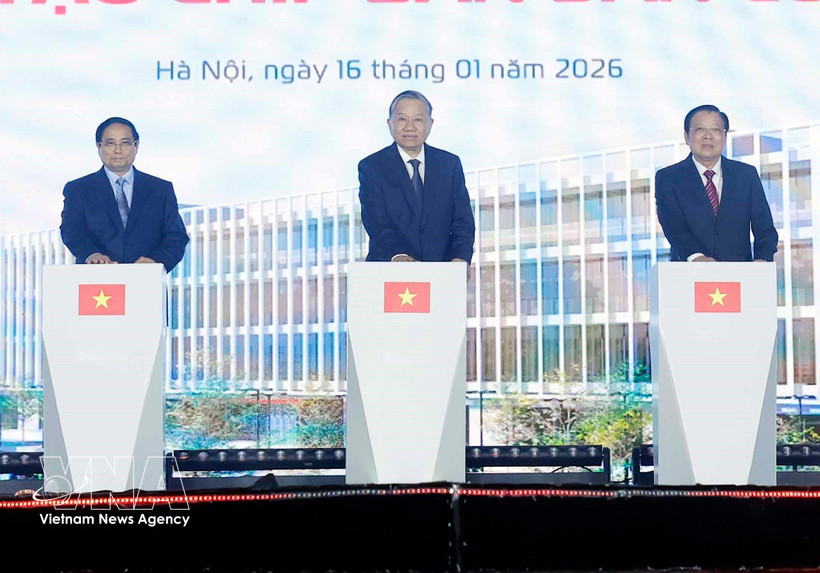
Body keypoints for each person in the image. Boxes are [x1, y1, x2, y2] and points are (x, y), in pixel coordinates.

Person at [358, 91, 475, 264]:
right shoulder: (372, 167)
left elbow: (462, 220)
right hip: (389, 270)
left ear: (430, 123)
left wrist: (460, 257)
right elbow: (375, 220)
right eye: (402, 119)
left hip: (441, 271)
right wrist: (397, 254)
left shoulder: (449, 164)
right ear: (390, 123)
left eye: (418, 120)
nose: (410, 127)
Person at [60, 117, 189, 272]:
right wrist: (91, 255)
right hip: (96, 279)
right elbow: (72, 230)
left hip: (146, 279)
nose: (118, 150)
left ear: (136, 145)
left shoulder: (160, 189)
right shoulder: (78, 189)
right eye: (110, 143)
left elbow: (176, 236)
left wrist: (156, 262)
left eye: (125, 143)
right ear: (98, 146)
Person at [655, 104, 778, 262]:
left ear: (724, 136)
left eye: (715, 130)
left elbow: (764, 226)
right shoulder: (669, 178)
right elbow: (673, 224)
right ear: (686, 137)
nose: (708, 136)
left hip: (739, 273)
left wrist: (762, 259)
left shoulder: (746, 175)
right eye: (700, 129)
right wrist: (696, 257)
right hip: (689, 271)